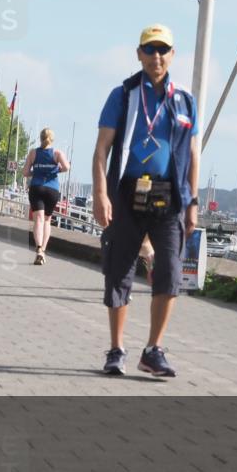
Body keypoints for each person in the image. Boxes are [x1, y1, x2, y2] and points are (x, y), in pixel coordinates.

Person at [91, 24, 199, 378]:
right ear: (138, 54)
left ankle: (153, 350)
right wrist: (101, 194)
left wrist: (193, 202)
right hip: (126, 194)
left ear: (172, 54)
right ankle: (116, 349)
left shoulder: (184, 100)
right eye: (149, 50)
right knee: (118, 272)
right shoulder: (123, 95)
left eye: (163, 50)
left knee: (169, 271)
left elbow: (193, 155)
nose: (156, 56)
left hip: (168, 199)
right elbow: (102, 150)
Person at [22, 128, 70, 265]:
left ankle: (38, 250)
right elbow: (66, 167)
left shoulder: (33, 153)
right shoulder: (57, 153)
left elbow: (25, 172)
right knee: (47, 221)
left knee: (38, 220)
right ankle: (43, 250)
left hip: (36, 187)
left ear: (40, 138)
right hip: (52, 189)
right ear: (52, 139)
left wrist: (37, 172)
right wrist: (56, 170)